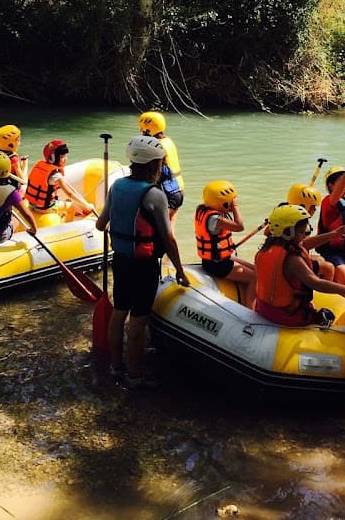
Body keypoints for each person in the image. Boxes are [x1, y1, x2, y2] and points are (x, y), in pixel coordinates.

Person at [96, 135, 188, 389]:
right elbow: (168, 238)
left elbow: (100, 224)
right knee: (138, 320)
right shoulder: (155, 195)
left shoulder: (117, 186)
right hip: (143, 266)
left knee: (119, 312)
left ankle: (116, 367)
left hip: (121, 261)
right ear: (153, 165)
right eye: (161, 163)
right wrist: (180, 271)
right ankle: (135, 377)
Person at [254, 204, 345, 327]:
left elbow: (305, 244)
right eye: (301, 232)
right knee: (327, 316)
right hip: (286, 316)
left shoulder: (268, 248)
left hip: (265, 309)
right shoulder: (292, 260)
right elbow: (316, 283)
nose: (304, 235)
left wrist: (332, 235)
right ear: (287, 232)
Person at [194, 180, 257, 307]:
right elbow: (239, 226)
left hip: (215, 260)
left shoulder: (204, 211)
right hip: (218, 265)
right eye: (232, 200)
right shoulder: (215, 219)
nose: (233, 202)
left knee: (256, 269)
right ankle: (251, 310)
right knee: (254, 277)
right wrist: (235, 207)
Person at [25, 140, 95, 225]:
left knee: (62, 201)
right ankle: (67, 226)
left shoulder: (40, 166)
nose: (65, 159)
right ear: (52, 158)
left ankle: (61, 215)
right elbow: (70, 194)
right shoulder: (56, 175)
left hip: (31, 205)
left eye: (65, 156)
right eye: (62, 157)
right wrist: (87, 205)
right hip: (45, 209)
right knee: (72, 206)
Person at [138, 111, 184, 218]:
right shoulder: (168, 141)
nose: (140, 131)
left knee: (158, 226)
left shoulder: (156, 146)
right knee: (169, 226)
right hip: (179, 189)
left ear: (149, 129)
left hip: (168, 192)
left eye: (142, 128)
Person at [0, 124, 28, 189]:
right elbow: (22, 180)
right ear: (10, 144)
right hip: (10, 189)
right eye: (18, 140)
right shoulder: (13, 159)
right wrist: (25, 164)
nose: (20, 143)